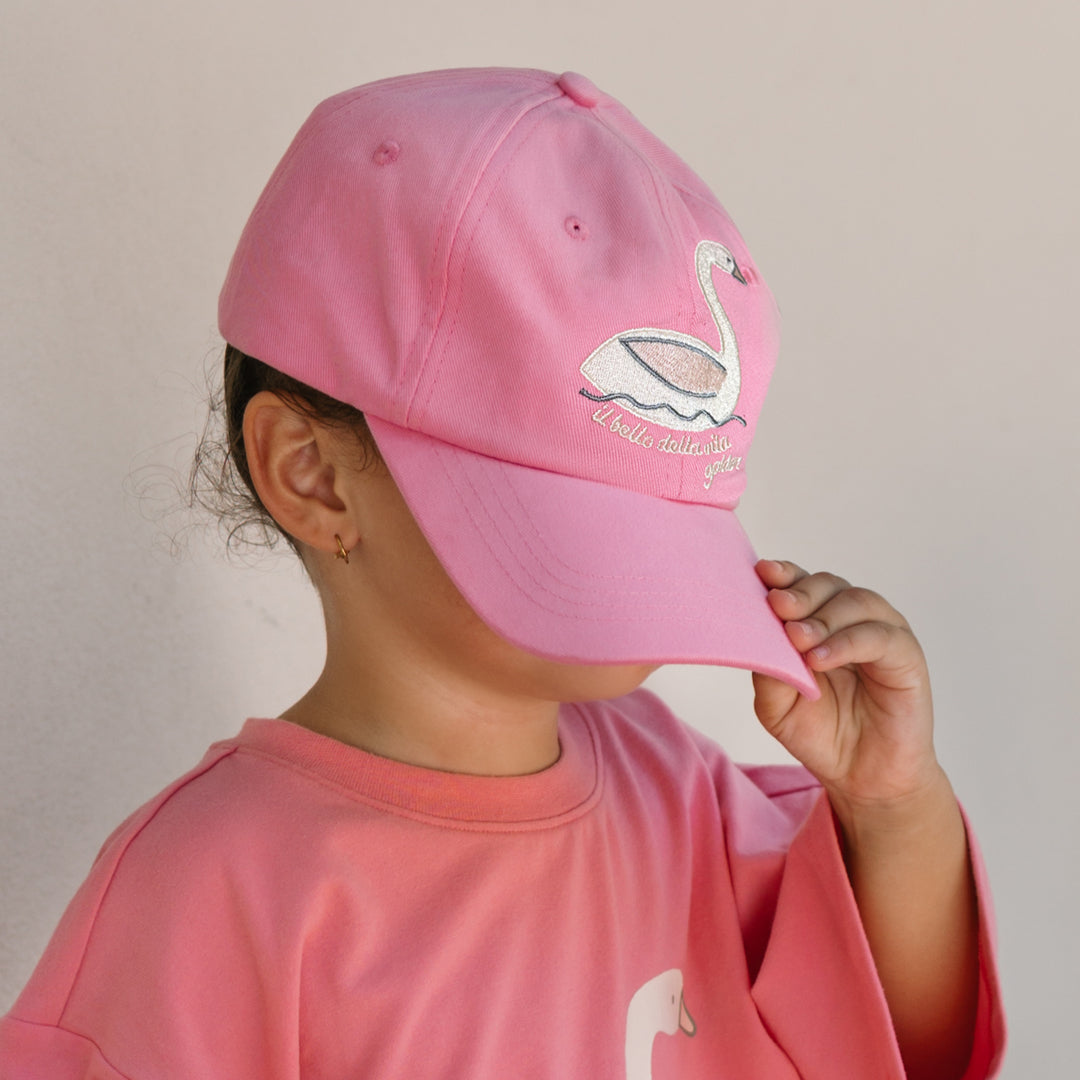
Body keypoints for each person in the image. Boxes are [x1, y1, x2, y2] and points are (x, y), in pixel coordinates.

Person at [0, 67, 1005, 1079]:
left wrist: (889, 805)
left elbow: (896, 1044)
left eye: (657, 527)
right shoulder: (216, 894)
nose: (643, 591)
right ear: (313, 477)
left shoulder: (673, 783)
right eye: (573, 521)